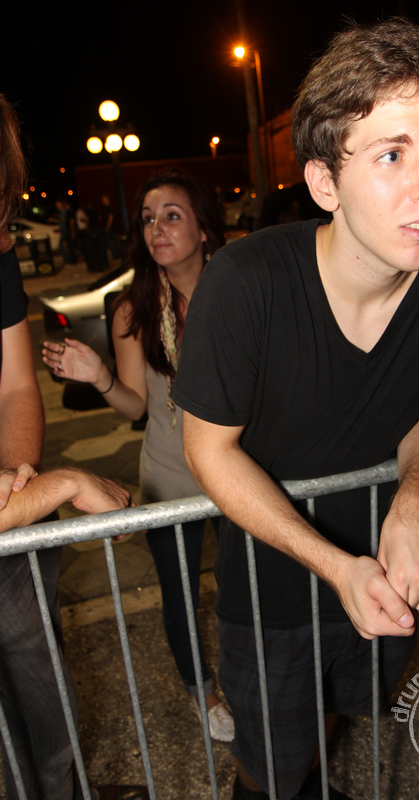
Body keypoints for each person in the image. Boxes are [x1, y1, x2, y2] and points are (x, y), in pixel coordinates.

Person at [172, 18, 419, 800]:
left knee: (338, 717)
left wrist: (417, 502)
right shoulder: (245, 284)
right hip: (271, 585)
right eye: (392, 154)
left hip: (388, 572)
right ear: (324, 183)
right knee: (270, 767)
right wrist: (332, 567)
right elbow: (207, 450)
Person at [43, 171, 234, 743]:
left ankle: (249, 677)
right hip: (169, 475)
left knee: (244, 585)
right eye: (149, 219)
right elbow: (135, 405)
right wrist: (100, 376)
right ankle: (203, 692)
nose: (157, 229)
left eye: (172, 215)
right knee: (179, 594)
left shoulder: (236, 289)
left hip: (237, 470)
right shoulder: (133, 309)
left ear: (204, 229)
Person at [0, 95, 143, 800]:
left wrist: (15, 476)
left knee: (45, 695)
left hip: (10, 525)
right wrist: (57, 485)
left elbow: (15, 388)